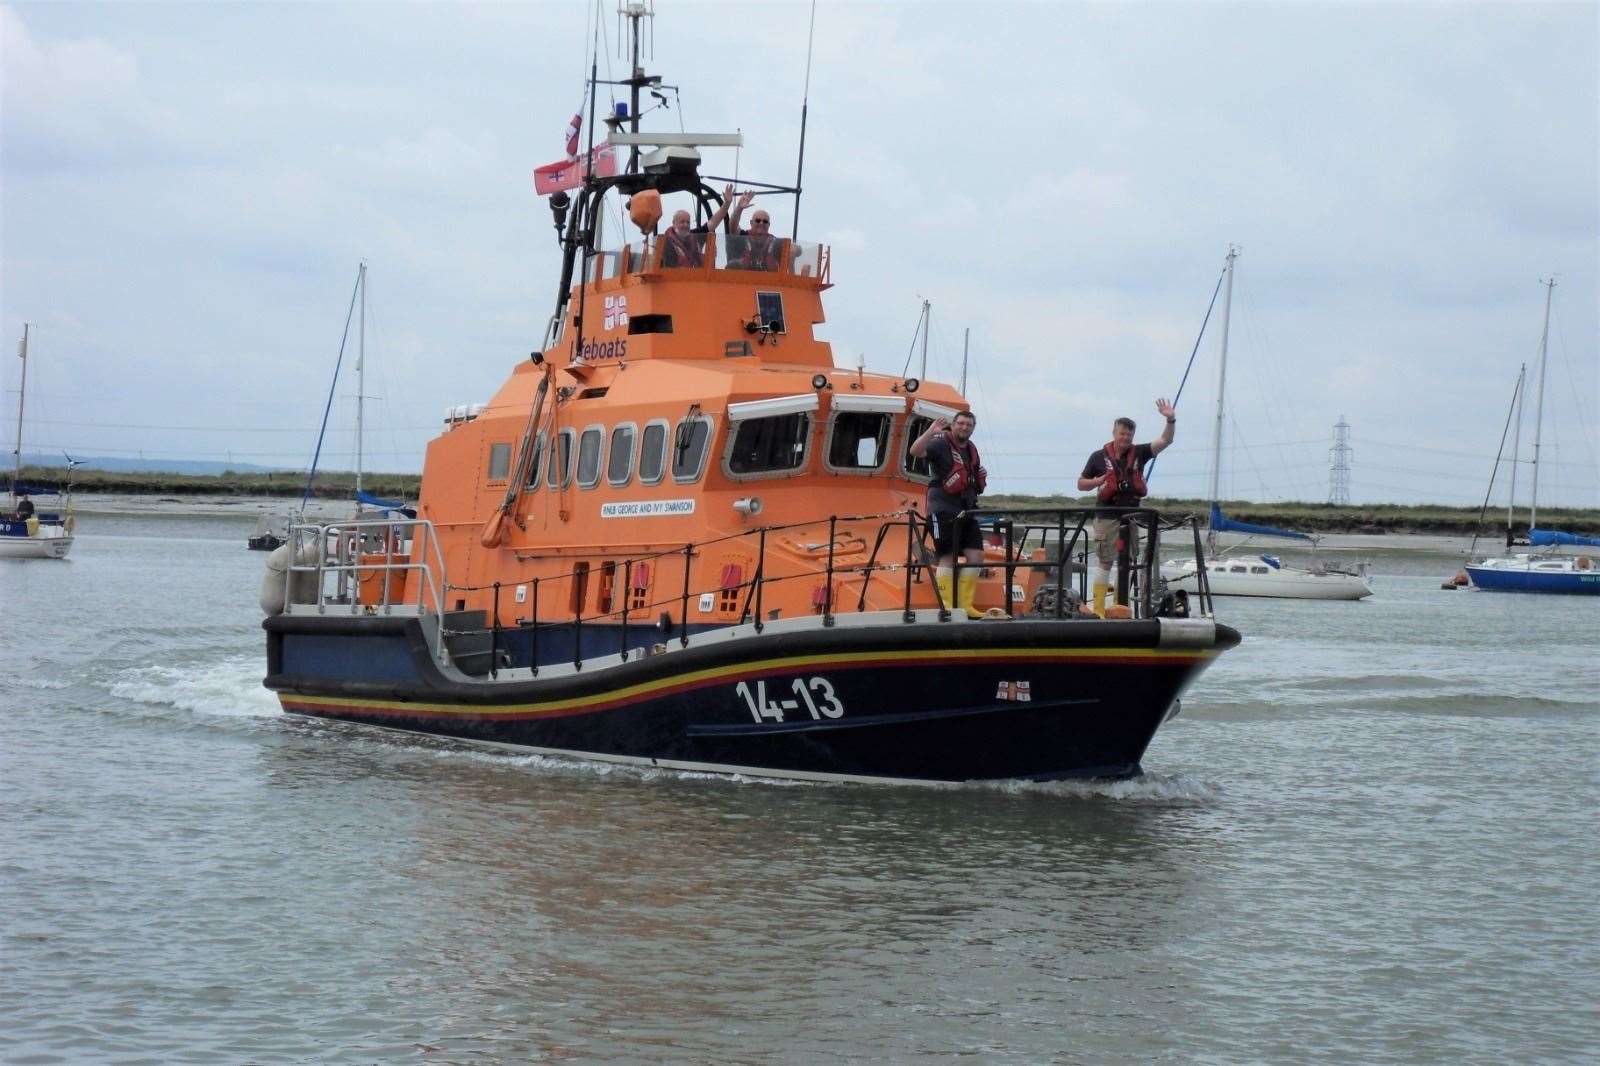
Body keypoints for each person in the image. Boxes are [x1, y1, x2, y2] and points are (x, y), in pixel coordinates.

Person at [1077, 399, 1176, 617]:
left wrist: (1170, 418)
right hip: (1106, 516)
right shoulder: (1098, 457)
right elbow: (1081, 484)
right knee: (1105, 561)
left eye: (1129, 435)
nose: (1125, 438)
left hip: (1130, 517)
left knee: (1128, 562)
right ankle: (1100, 611)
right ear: (1114, 432)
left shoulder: (1140, 453)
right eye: (1122, 434)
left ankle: (1120, 608)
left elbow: (1166, 440)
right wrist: (1098, 481)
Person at [910, 411, 988, 618]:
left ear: (972, 427)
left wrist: (979, 478)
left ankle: (966, 606)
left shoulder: (971, 450)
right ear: (953, 425)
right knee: (948, 555)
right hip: (942, 509)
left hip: (967, 509)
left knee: (976, 555)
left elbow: (973, 480)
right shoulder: (939, 444)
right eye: (960, 423)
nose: (964, 427)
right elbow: (916, 451)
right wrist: (930, 432)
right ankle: (947, 606)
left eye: (968, 424)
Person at [660, 185, 738, 268]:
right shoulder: (665, 243)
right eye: (682, 222)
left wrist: (726, 204)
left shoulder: (695, 236)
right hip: (675, 279)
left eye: (688, 222)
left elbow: (713, 223)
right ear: (674, 223)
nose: (685, 225)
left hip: (697, 278)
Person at [726, 192, 781, 271]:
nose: (761, 223)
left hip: (767, 281)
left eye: (765, 221)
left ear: (769, 225)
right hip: (740, 280)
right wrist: (739, 208)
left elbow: (790, 250)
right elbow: (733, 227)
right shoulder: (743, 236)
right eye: (758, 220)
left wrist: (796, 250)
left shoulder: (775, 242)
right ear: (751, 223)